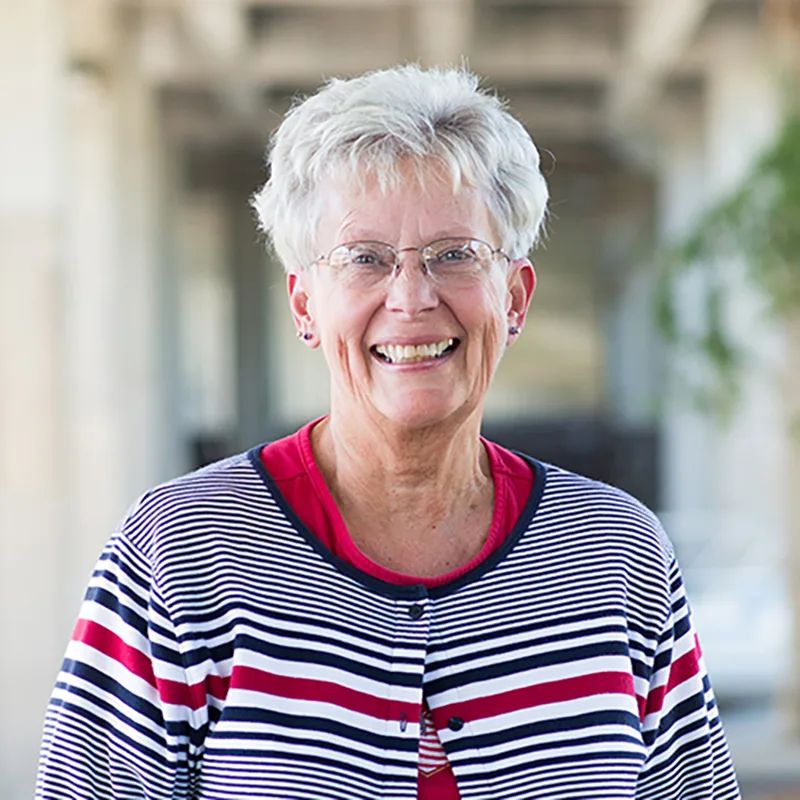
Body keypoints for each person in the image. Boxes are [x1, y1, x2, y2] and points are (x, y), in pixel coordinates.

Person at [36, 65, 740, 800]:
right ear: (305, 304)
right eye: (364, 258)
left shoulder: (617, 556)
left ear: (516, 297)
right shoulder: (178, 553)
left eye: (455, 254)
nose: (411, 297)